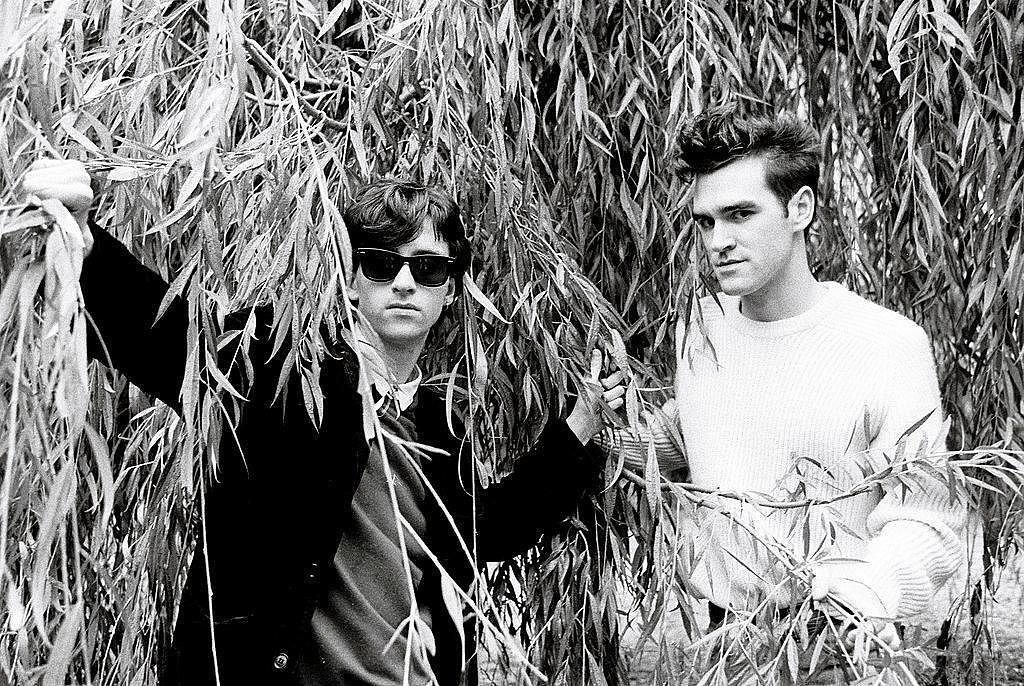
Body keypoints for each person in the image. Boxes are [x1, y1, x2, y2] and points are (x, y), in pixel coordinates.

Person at [19, 161, 626, 685]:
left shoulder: (437, 421)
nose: (406, 281)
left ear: (452, 290)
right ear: (351, 279)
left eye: (429, 268)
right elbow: (163, 337)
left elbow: (481, 532)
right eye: (382, 262)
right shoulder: (279, 371)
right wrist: (83, 241)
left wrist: (580, 424)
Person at [598, 109, 965, 677]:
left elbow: (928, 521)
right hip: (725, 644)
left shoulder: (887, 345)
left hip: (841, 644)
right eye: (705, 222)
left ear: (801, 209)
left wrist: (869, 592)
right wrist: (616, 425)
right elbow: (695, 446)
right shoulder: (701, 327)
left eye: (741, 215)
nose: (718, 241)